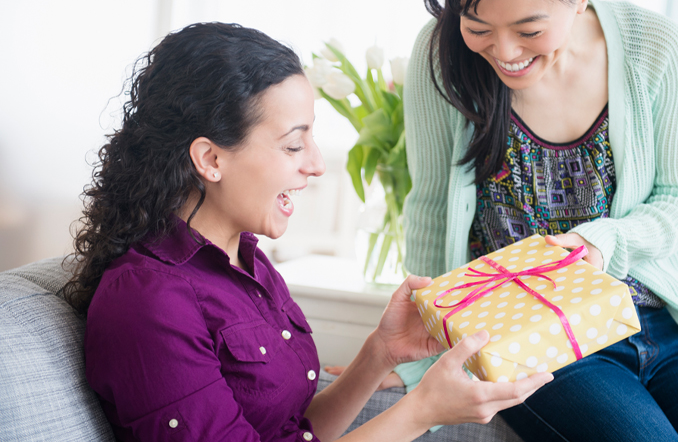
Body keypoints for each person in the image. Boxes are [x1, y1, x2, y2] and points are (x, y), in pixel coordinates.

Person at [62, 22, 552, 442]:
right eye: (294, 145)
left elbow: (297, 430)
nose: (317, 165)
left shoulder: (246, 261)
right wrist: (421, 411)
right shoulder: (148, 301)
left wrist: (379, 353)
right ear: (211, 159)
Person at [393, 0, 678, 441]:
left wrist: (604, 241)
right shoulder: (441, 54)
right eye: (478, 27)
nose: (505, 51)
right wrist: (419, 366)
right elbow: (431, 212)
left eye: (529, 29)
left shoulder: (653, 45)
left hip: (658, 323)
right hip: (528, 339)